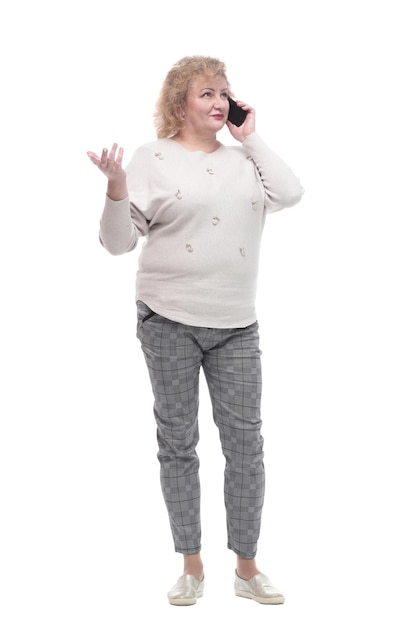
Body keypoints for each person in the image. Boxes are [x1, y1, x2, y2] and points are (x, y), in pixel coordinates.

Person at [87, 55, 304, 606]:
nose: (218, 102)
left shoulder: (245, 161)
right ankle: (191, 566)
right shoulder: (151, 158)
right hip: (168, 321)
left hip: (236, 324)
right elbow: (116, 244)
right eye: (206, 93)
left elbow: (291, 192)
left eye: (224, 93)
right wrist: (116, 189)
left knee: (246, 447)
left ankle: (247, 568)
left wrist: (250, 138)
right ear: (179, 101)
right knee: (178, 445)